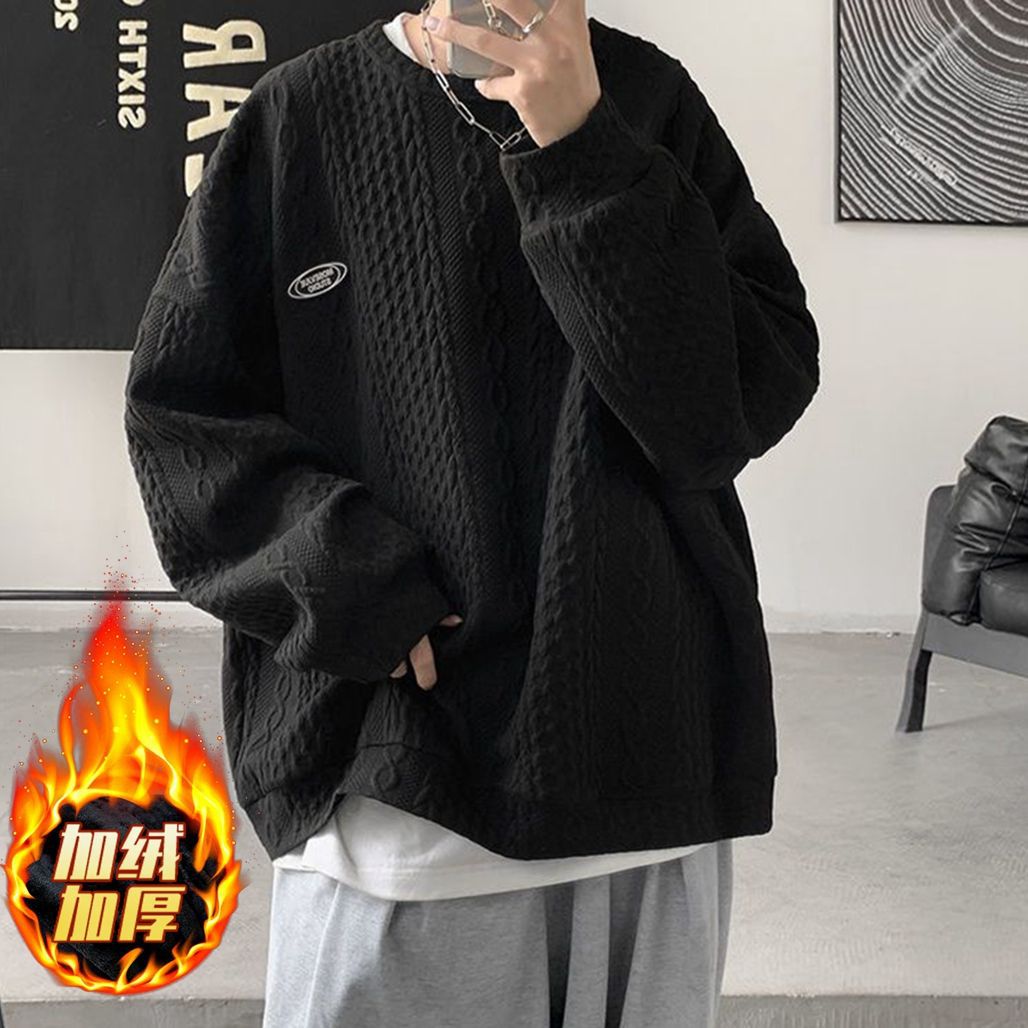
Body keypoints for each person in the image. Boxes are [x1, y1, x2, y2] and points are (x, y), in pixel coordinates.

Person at [123, 0, 820, 1024]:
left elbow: (720, 418)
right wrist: (348, 579)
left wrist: (581, 148)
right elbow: (184, 417)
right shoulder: (301, 112)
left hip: (638, 756)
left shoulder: (648, 100)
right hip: (395, 784)